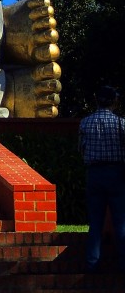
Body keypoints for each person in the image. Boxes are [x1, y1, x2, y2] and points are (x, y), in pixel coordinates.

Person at [78, 85, 125, 273]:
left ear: (97, 101)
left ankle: (92, 263)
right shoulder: (121, 123)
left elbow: (81, 150)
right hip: (117, 173)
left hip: (94, 173)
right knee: (121, 221)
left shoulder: (85, 123)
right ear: (114, 101)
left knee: (95, 222)